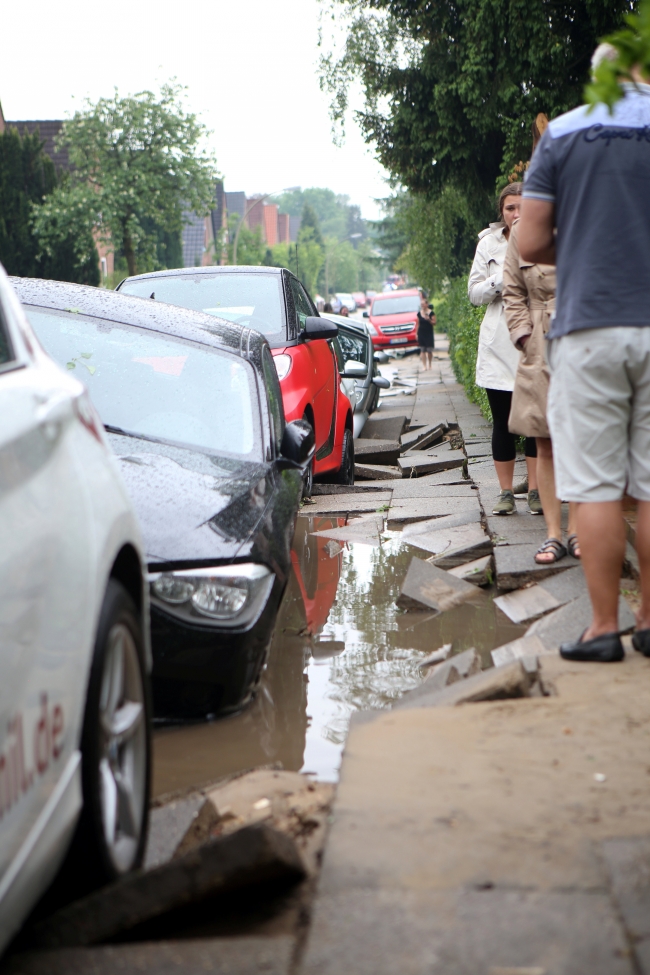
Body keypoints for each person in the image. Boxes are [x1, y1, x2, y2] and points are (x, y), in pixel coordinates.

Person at [518, 45, 650, 663]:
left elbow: (531, 239)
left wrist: (584, 247)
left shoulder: (565, 134)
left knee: (594, 487)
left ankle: (603, 630)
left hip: (589, 328)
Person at [503, 219, 580, 564]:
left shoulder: (589, 211)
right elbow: (512, 290)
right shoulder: (523, 230)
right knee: (545, 440)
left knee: (579, 439)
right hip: (540, 343)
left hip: (584, 335)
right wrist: (523, 335)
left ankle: (578, 531)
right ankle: (553, 534)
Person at [469, 182, 539, 516]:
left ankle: (537, 490)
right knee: (503, 422)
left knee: (536, 422)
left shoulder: (545, 237)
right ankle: (506, 492)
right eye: (510, 208)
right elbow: (474, 293)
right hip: (499, 342)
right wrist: (503, 280)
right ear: (502, 211)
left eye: (523, 206)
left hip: (534, 340)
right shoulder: (489, 244)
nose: (516, 213)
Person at [417, 292, 436, 370]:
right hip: (421, 333)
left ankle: (430, 364)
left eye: (423, 304)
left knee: (429, 351)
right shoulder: (419, 314)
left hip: (428, 333)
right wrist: (416, 334)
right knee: (422, 350)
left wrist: (429, 320)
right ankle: (424, 366)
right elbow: (417, 324)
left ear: (427, 304)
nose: (422, 306)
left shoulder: (431, 313)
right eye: (421, 305)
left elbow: (434, 323)